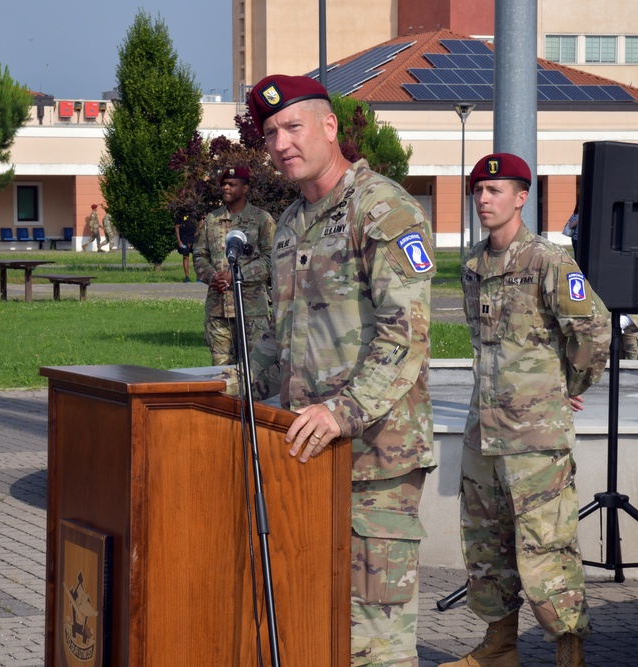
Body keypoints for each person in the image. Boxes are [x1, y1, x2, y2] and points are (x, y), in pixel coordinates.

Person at [239, 74, 436, 667]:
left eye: (292, 126)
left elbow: (406, 334)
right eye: (270, 133)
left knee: (375, 638)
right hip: (305, 451)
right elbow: (280, 341)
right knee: (316, 620)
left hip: (375, 455)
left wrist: (340, 412)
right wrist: (221, 387)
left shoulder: (382, 208)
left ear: (329, 127)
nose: (280, 143)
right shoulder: (292, 223)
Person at [442, 153, 610, 667]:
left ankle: (568, 648)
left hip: (535, 441)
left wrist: (566, 384)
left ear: (521, 197)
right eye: (478, 191)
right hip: (484, 437)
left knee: (547, 545)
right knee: (486, 546)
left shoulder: (548, 259)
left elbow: (594, 330)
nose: (484, 199)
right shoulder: (472, 265)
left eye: (496, 190)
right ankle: (500, 646)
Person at [193, 166, 275, 365]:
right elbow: (199, 255)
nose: (226, 188)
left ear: (245, 188)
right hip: (218, 310)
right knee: (221, 372)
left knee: (255, 370)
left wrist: (238, 275)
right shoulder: (211, 220)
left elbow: (271, 258)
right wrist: (213, 277)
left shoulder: (262, 220)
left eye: (232, 184)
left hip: (252, 310)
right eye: (224, 184)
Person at [175, 212, 199, 283]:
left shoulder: (195, 212)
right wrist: (179, 241)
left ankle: (199, 277)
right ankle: (187, 277)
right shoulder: (180, 214)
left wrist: (198, 231)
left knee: (196, 257)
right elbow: (176, 227)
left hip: (193, 237)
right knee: (186, 256)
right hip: (184, 237)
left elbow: (202, 220)